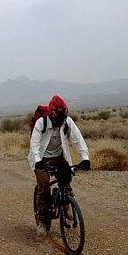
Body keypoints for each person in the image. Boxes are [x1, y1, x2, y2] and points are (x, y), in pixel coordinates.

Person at [27, 95, 90, 236]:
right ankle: (43, 221)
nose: (60, 123)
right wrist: (38, 161)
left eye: (62, 120)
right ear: (51, 115)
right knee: (43, 188)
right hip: (42, 157)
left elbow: (78, 140)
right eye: (58, 120)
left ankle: (67, 204)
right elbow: (34, 145)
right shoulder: (41, 123)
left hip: (59, 156)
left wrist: (85, 158)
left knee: (66, 180)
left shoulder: (67, 122)